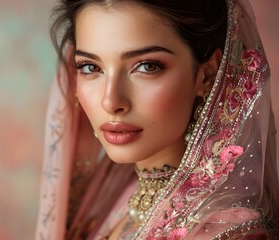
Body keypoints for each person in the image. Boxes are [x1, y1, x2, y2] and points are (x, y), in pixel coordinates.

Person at [36, 0, 279, 239]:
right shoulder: (114, 200)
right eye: (90, 68)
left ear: (207, 74)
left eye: (147, 66)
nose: (110, 101)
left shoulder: (229, 232)